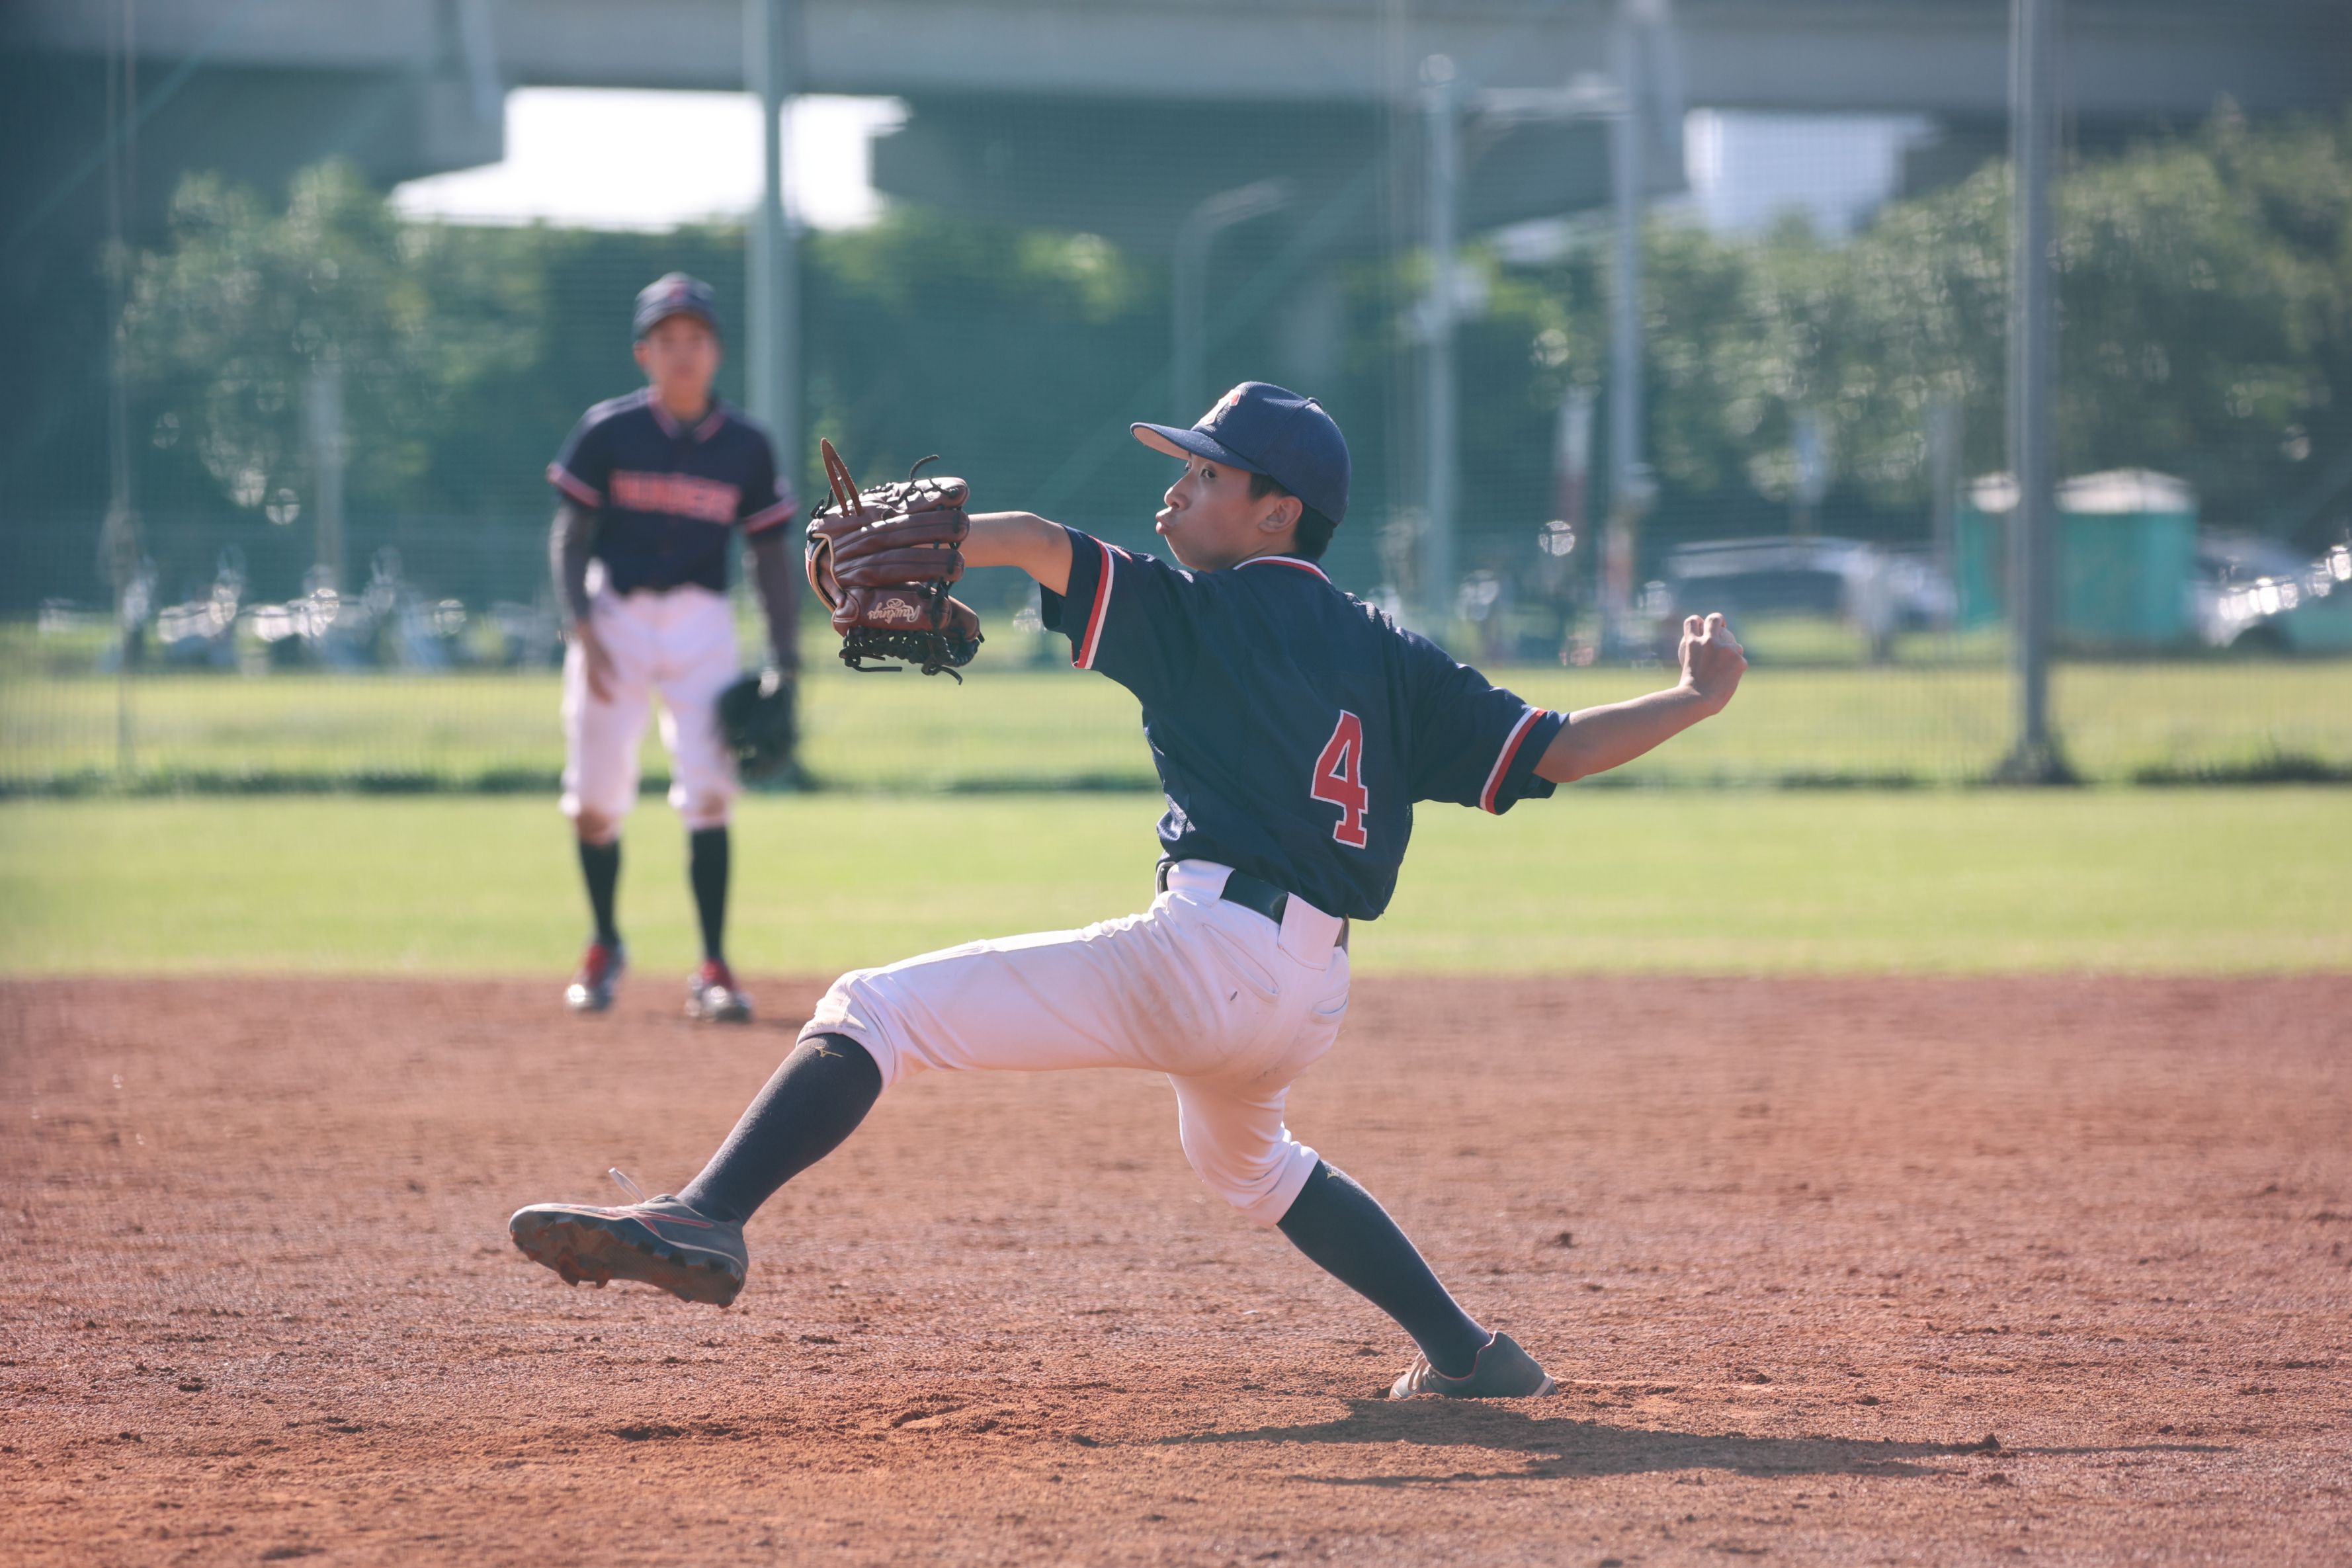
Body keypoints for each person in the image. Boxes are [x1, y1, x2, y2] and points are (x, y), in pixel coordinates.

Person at [511, 382, 1746, 1397]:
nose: (1175, 489)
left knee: (872, 1007)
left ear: (1277, 512)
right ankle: (1469, 1354)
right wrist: (1693, 699)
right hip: (1308, 995)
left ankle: (707, 1213)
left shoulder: (1200, 615)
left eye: (1205, 474)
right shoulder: (1393, 654)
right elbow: (1558, 748)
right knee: (1251, 1165)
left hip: (1206, 959)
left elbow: (1043, 543)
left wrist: (921, 530)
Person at [545, 274, 802, 1023]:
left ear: (716, 351)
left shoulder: (747, 446)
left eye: (696, 339)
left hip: (701, 624)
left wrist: (786, 658)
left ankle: (713, 965)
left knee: (711, 792)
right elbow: (569, 535)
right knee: (594, 802)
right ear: (644, 353)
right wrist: (581, 628)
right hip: (614, 620)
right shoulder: (608, 431)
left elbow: (769, 555)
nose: (682, 353)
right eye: (667, 340)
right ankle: (604, 942)